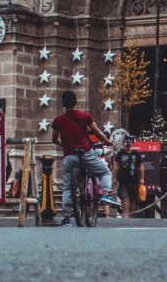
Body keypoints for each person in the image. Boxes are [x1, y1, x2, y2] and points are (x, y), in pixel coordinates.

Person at [51, 91, 119, 226]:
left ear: (63, 104)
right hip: (85, 153)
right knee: (104, 171)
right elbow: (98, 132)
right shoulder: (84, 116)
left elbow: (54, 139)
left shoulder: (58, 120)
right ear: (76, 102)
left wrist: (62, 144)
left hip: (69, 155)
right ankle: (106, 193)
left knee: (68, 187)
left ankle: (66, 218)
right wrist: (107, 142)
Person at [114, 135, 144, 217]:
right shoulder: (120, 153)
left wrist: (142, 178)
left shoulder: (136, 153)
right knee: (124, 197)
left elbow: (141, 167)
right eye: (126, 142)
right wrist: (115, 178)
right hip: (123, 179)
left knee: (133, 198)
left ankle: (130, 214)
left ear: (132, 144)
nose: (127, 144)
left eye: (129, 142)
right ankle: (125, 214)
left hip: (134, 179)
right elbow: (116, 166)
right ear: (123, 143)